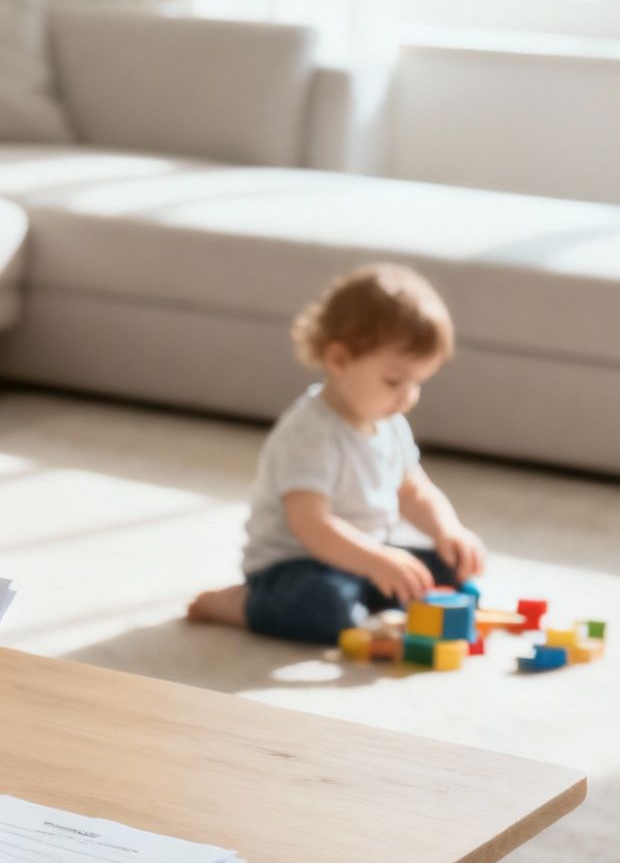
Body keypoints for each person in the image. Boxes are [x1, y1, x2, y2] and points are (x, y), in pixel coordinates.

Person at [187, 263, 487, 643]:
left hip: (363, 556)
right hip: (296, 566)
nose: (408, 397)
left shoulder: (389, 422)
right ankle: (238, 603)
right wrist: (378, 561)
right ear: (339, 360)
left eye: (417, 382)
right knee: (324, 609)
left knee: (450, 573)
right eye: (395, 380)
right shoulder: (310, 435)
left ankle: (368, 599)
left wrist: (448, 530)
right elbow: (311, 525)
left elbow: (414, 491)